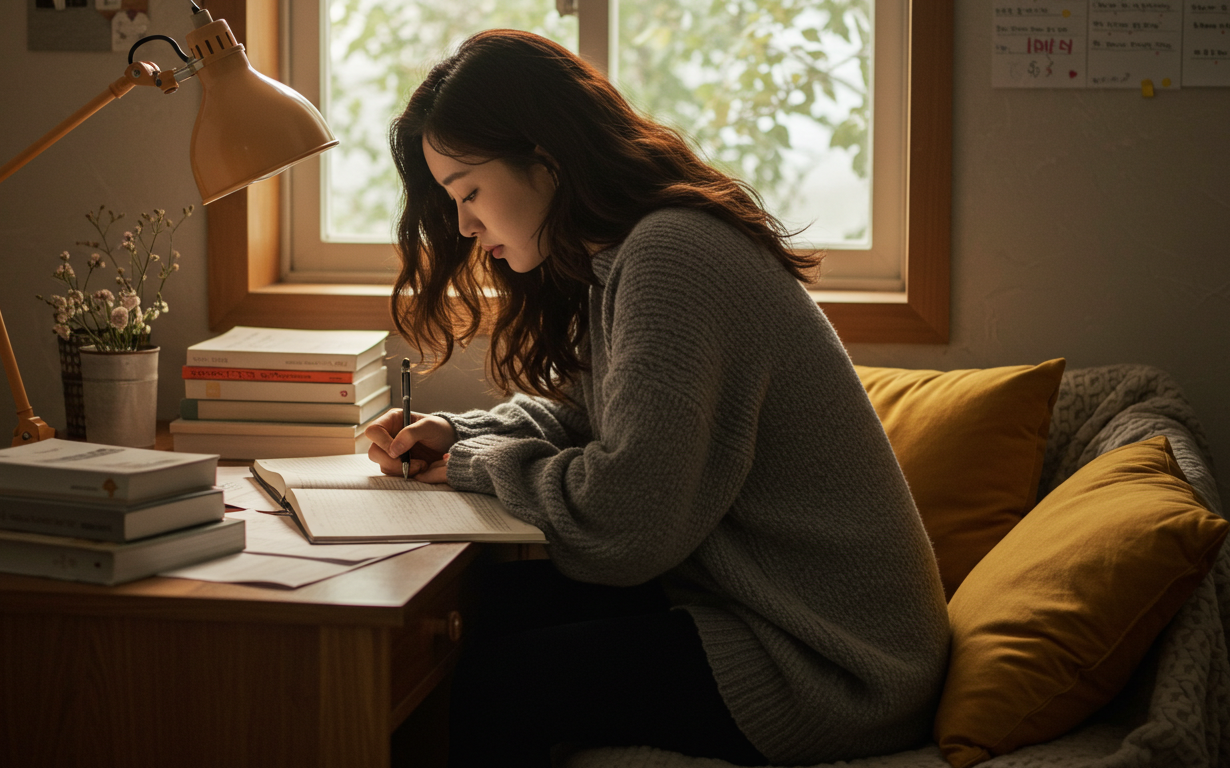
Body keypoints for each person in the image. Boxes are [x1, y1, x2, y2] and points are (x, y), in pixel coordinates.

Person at [363, 29, 949, 768]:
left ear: (544, 158)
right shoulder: (618, 255)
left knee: (504, 682)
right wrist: (455, 431)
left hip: (831, 663)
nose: (465, 227)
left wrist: (476, 464)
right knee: (497, 606)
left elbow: (626, 519)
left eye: (469, 192)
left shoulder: (671, 256)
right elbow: (587, 420)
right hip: (753, 611)